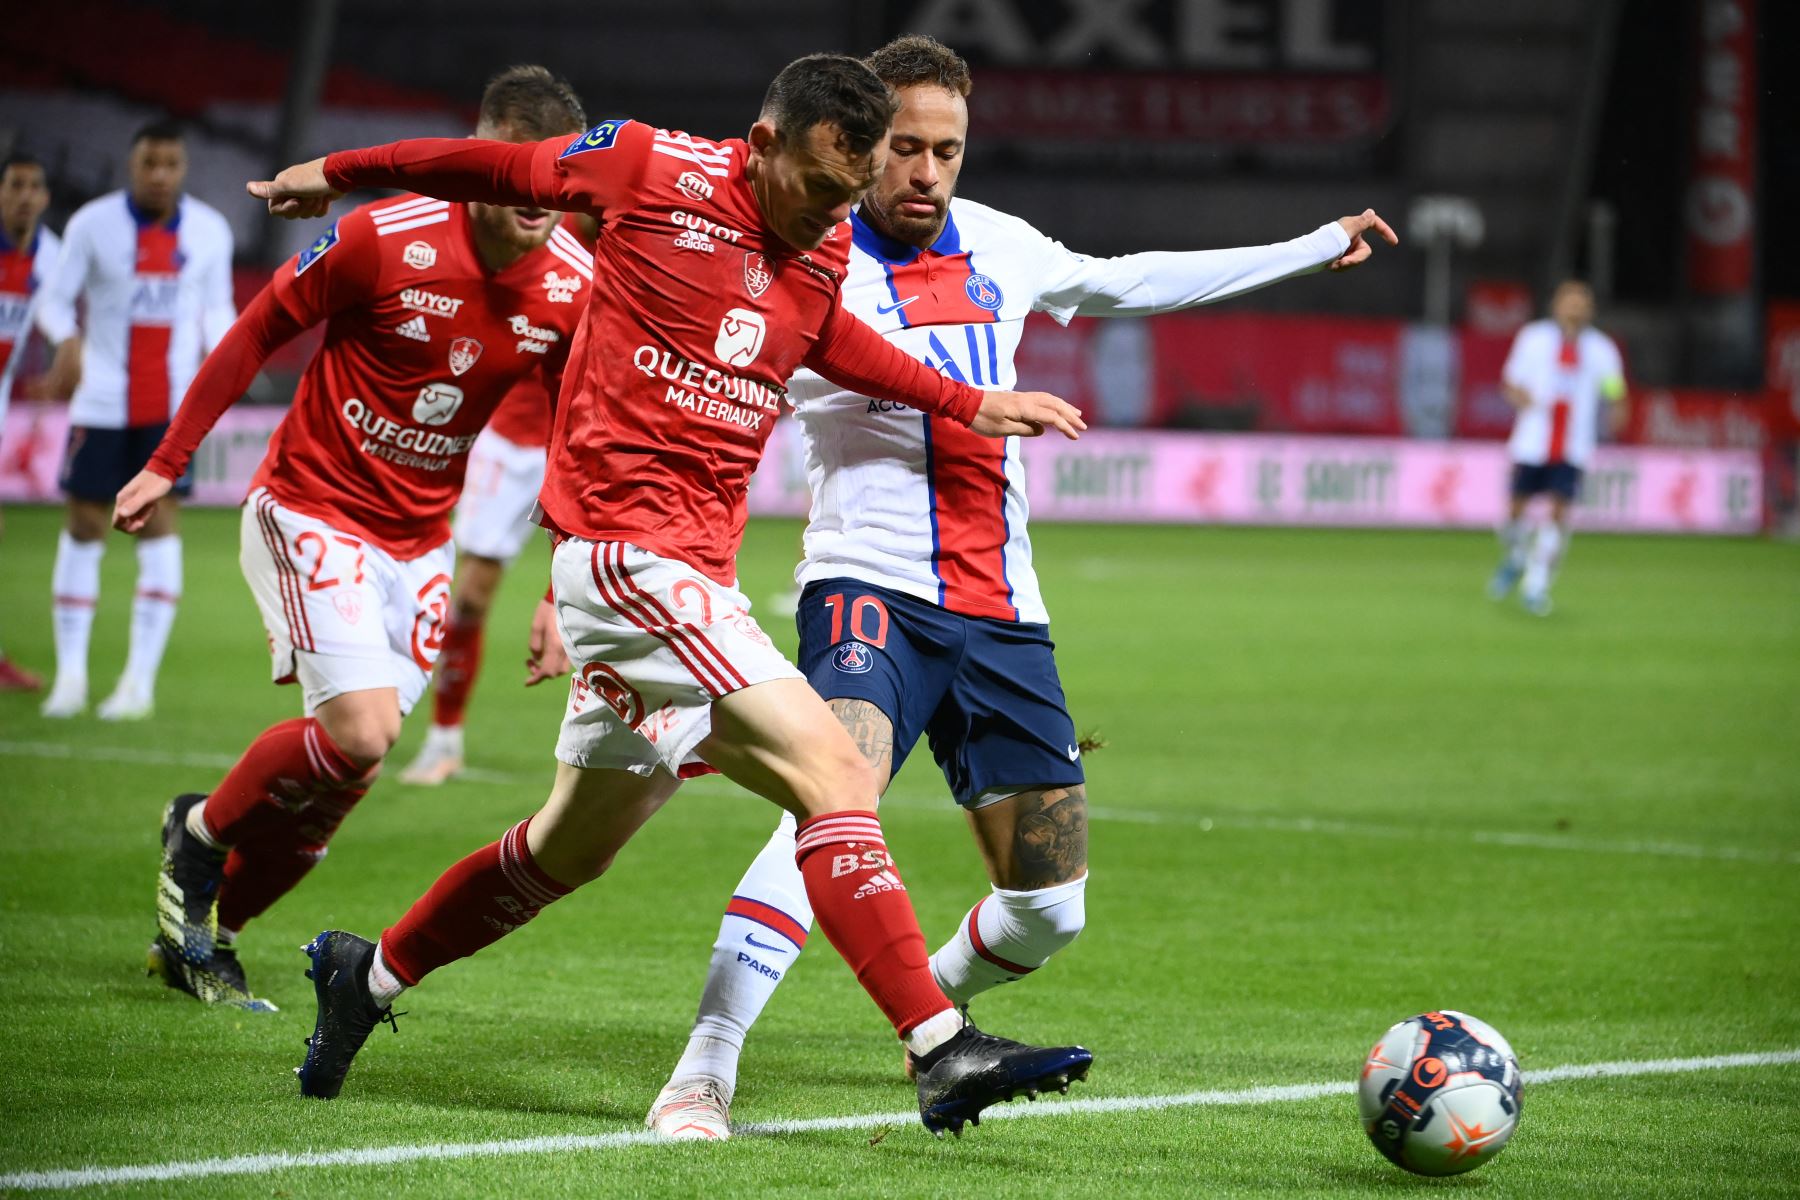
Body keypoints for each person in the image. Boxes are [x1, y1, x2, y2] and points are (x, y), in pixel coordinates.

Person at [243, 52, 1091, 1136]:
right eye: (819, 185)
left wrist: (968, 403)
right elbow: (492, 166)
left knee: (566, 849)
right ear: (764, 141)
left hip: (689, 574)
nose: (831, 213)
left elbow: (831, 341)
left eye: (850, 194)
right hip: (627, 562)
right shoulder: (648, 168)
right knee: (833, 767)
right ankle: (939, 1047)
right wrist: (338, 169)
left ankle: (365, 979)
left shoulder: (822, 239)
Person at [644, 35, 1399, 1141]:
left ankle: (933, 1008)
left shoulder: (1001, 244)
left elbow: (1130, 278)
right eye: (904, 147)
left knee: (1049, 906)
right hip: (869, 589)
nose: (926, 171)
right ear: (859, 145)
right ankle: (704, 1067)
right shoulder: (808, 258)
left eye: (947, 149)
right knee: (833, 791)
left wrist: (1308, 244)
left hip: (1003, 611)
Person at [113, 65, 593, 1009]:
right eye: (518, 176)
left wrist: (554, 593)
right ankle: (200, 833)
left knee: (336, 791)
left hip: (420, 543)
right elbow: (258, 329)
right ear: (474, 168)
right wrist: (170, 462)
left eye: (555, 182)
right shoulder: (384, 236)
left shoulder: (575, 287)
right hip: (312, 506)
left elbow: (577, 439)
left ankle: (210, 939)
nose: (539, 201)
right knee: (363, 732)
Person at [34, 122, 235, 719]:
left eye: (170, 164)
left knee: (158, 526)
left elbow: (220, 308)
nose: (159, 175)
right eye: (150, 162)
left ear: (184, 168)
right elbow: (52, 298)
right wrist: (65, 336)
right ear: (132, 164)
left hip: (172, 407)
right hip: (99, 400)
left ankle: (137, 684)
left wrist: (224, 361)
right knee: (85, 526)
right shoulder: (92, 224)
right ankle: (69, 678)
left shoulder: (209, 230)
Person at [399, 217, 599, 786]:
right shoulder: (532, 243)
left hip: (576, 446)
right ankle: (443, 740)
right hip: (509, 443)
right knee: (467, 600)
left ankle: (611, 753)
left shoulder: (624, 253)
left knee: (597, 598)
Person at [1488, 280, 1627, 615]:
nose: (1575, 308)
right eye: (1570, 301)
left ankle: (1535, 587)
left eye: (1581, 302)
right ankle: (1517, 557)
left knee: (1559, 513)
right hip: (1531, 442)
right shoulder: (1533, 339)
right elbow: (1509, 383)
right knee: (1513, 514)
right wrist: (1524, 398)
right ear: (1556, 304)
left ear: (1590, 309)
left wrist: (1617, 415)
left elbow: (1614, 392)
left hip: (1573, 447)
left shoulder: (1602, 349)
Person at [0, 151, 60, 693]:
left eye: (33, 187)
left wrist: (63, 371)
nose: (23, 196)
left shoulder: (50, 255)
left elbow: (60, 321)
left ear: (44, 198)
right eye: (14, 185)